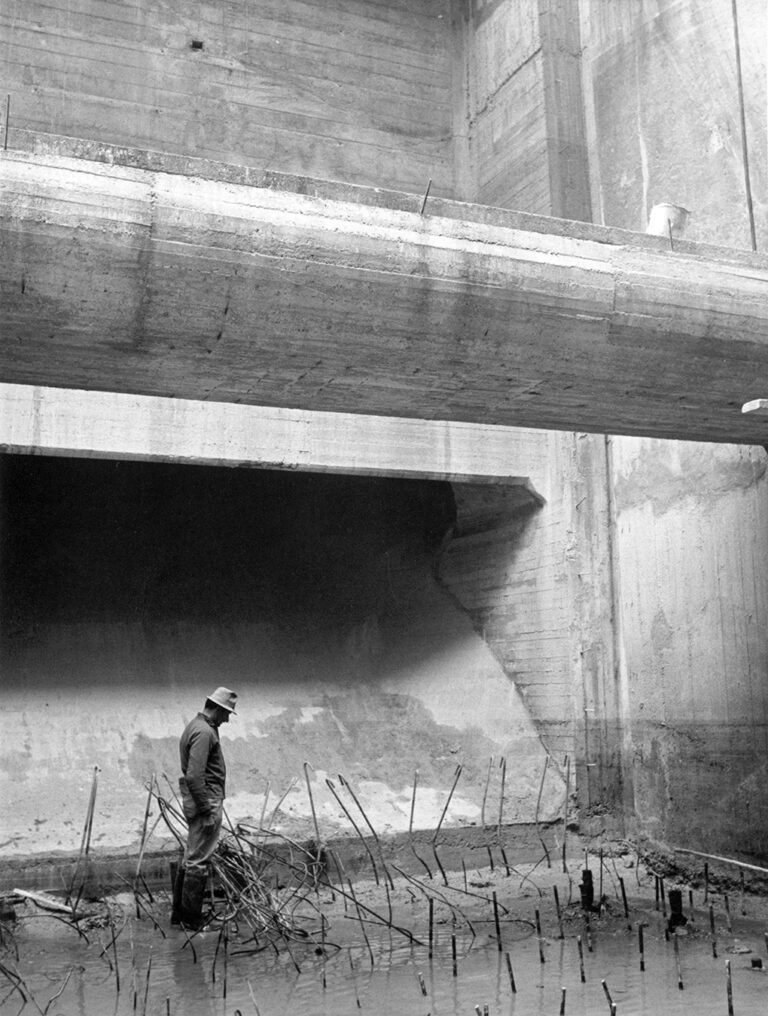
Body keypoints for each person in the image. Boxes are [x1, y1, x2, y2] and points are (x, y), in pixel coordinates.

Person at [171, 686, 237, 930]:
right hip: (206, 800)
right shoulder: (204, 732)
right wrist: (207, 811)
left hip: (202, 798)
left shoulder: (196, 727)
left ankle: (180, 916)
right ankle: (191, 920)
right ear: (218, 708)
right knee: (199, 859)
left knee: (191, 856)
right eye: (227, 713)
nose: (227, 719)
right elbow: (194, 776)